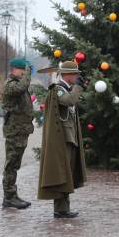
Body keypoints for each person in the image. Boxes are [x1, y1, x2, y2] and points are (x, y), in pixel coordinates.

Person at [38, 61, 87, 218]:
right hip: (63, 138)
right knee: (61, 173)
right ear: (67, 74)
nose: (76, 77)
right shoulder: (58, 90)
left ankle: (64, 208)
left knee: (67, 174)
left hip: (69, 137)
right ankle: (60, 209)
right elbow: (69, 101)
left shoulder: (66, 89)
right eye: (74, 74)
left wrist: (77, 87)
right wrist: (79, 87)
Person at [1, 59, 35, 210]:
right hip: (14, 131)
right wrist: (28, 73)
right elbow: (21, 87)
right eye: (23, 71)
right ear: (15, 70)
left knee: (15, 164)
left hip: (21, 131)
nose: (24, 74)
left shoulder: (18, 83)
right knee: (11, 165)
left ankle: (12, 195)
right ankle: (9, 197)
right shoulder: (10, 84)